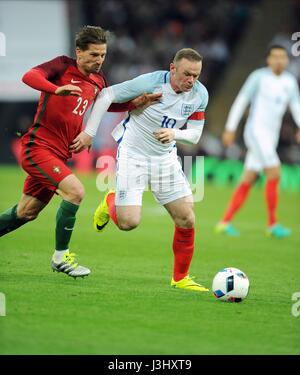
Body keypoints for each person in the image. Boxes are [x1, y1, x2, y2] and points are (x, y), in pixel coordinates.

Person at [0, 25, 160, 278]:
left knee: (26, 212)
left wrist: (135, 103)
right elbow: (29, 76)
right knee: (75, 191)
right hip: (38, 147)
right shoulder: (62, 66)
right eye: (94, 55)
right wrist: (55, 89)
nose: (99, 60)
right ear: (79, 52)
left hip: (59, 153)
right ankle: (61, 257)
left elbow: (105, 106)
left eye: (103, 55)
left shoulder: (98, 81)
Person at [72, 48, 210, 292]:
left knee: (187, 218)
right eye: (187, 74)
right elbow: (105, 95)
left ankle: (180, 278)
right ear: (173, 68)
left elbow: (196, 133)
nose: (191, 80)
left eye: (196, 76)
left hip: (165, 159)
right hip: (133, 155)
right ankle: (111, 201)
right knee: (128, 223)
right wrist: (89, 132)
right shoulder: (150, 82)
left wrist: (175, 134)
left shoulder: (199, 94)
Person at [215, 45, 300, 238]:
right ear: (268, 60)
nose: (279, 60)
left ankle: (224, 221)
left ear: (287, 60)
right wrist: (230, 127)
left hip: (271, 136)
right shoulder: (259, 77)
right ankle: (272, 224)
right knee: (275, 171)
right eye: (275, 57)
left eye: (282, 57)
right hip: (255, 132)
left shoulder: (289, 81)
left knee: (250, 176)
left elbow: (296, 106)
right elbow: (241, 100)